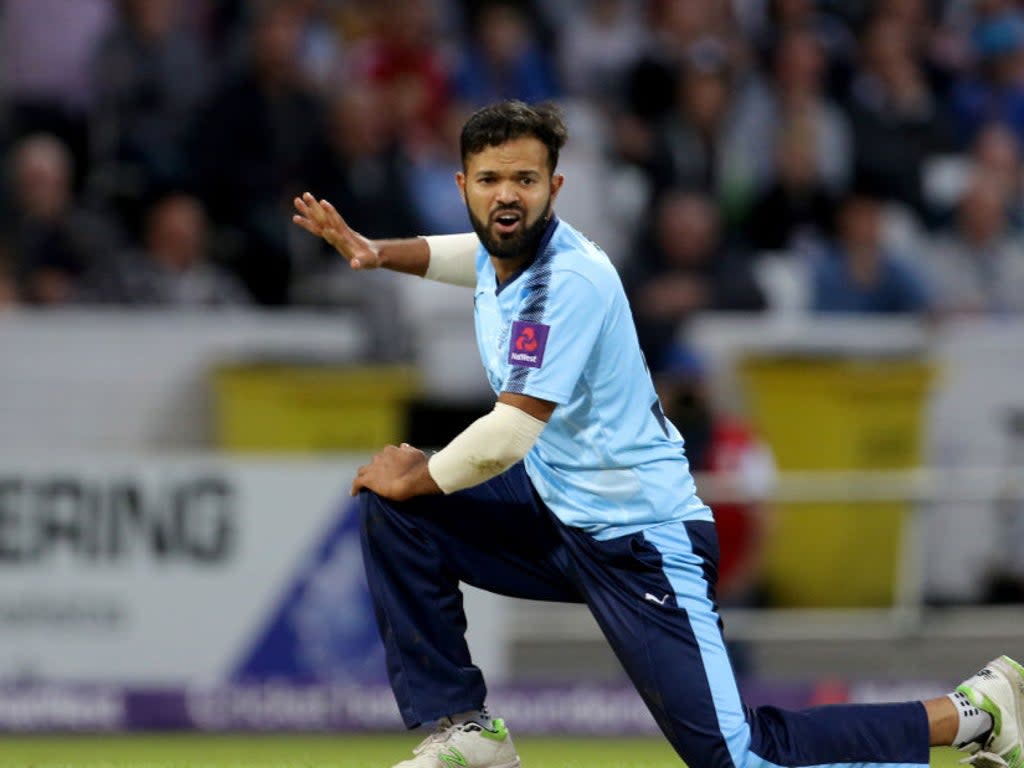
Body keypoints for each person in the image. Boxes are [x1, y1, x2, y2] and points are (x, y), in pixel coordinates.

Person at [292, 100, 1024, 768]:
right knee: (398, 515)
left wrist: (415, 470)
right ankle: (467, 733)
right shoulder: (502, 248)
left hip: (643, 539)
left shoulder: (565, 282)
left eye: (524, 179)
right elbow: (468, 256)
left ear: (556, 188)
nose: (506, 195)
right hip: (560, 512)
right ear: (463, 187)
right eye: (489, 180)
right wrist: (376, 251)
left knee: (737, 759)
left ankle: (971, 714)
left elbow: (508, 435)